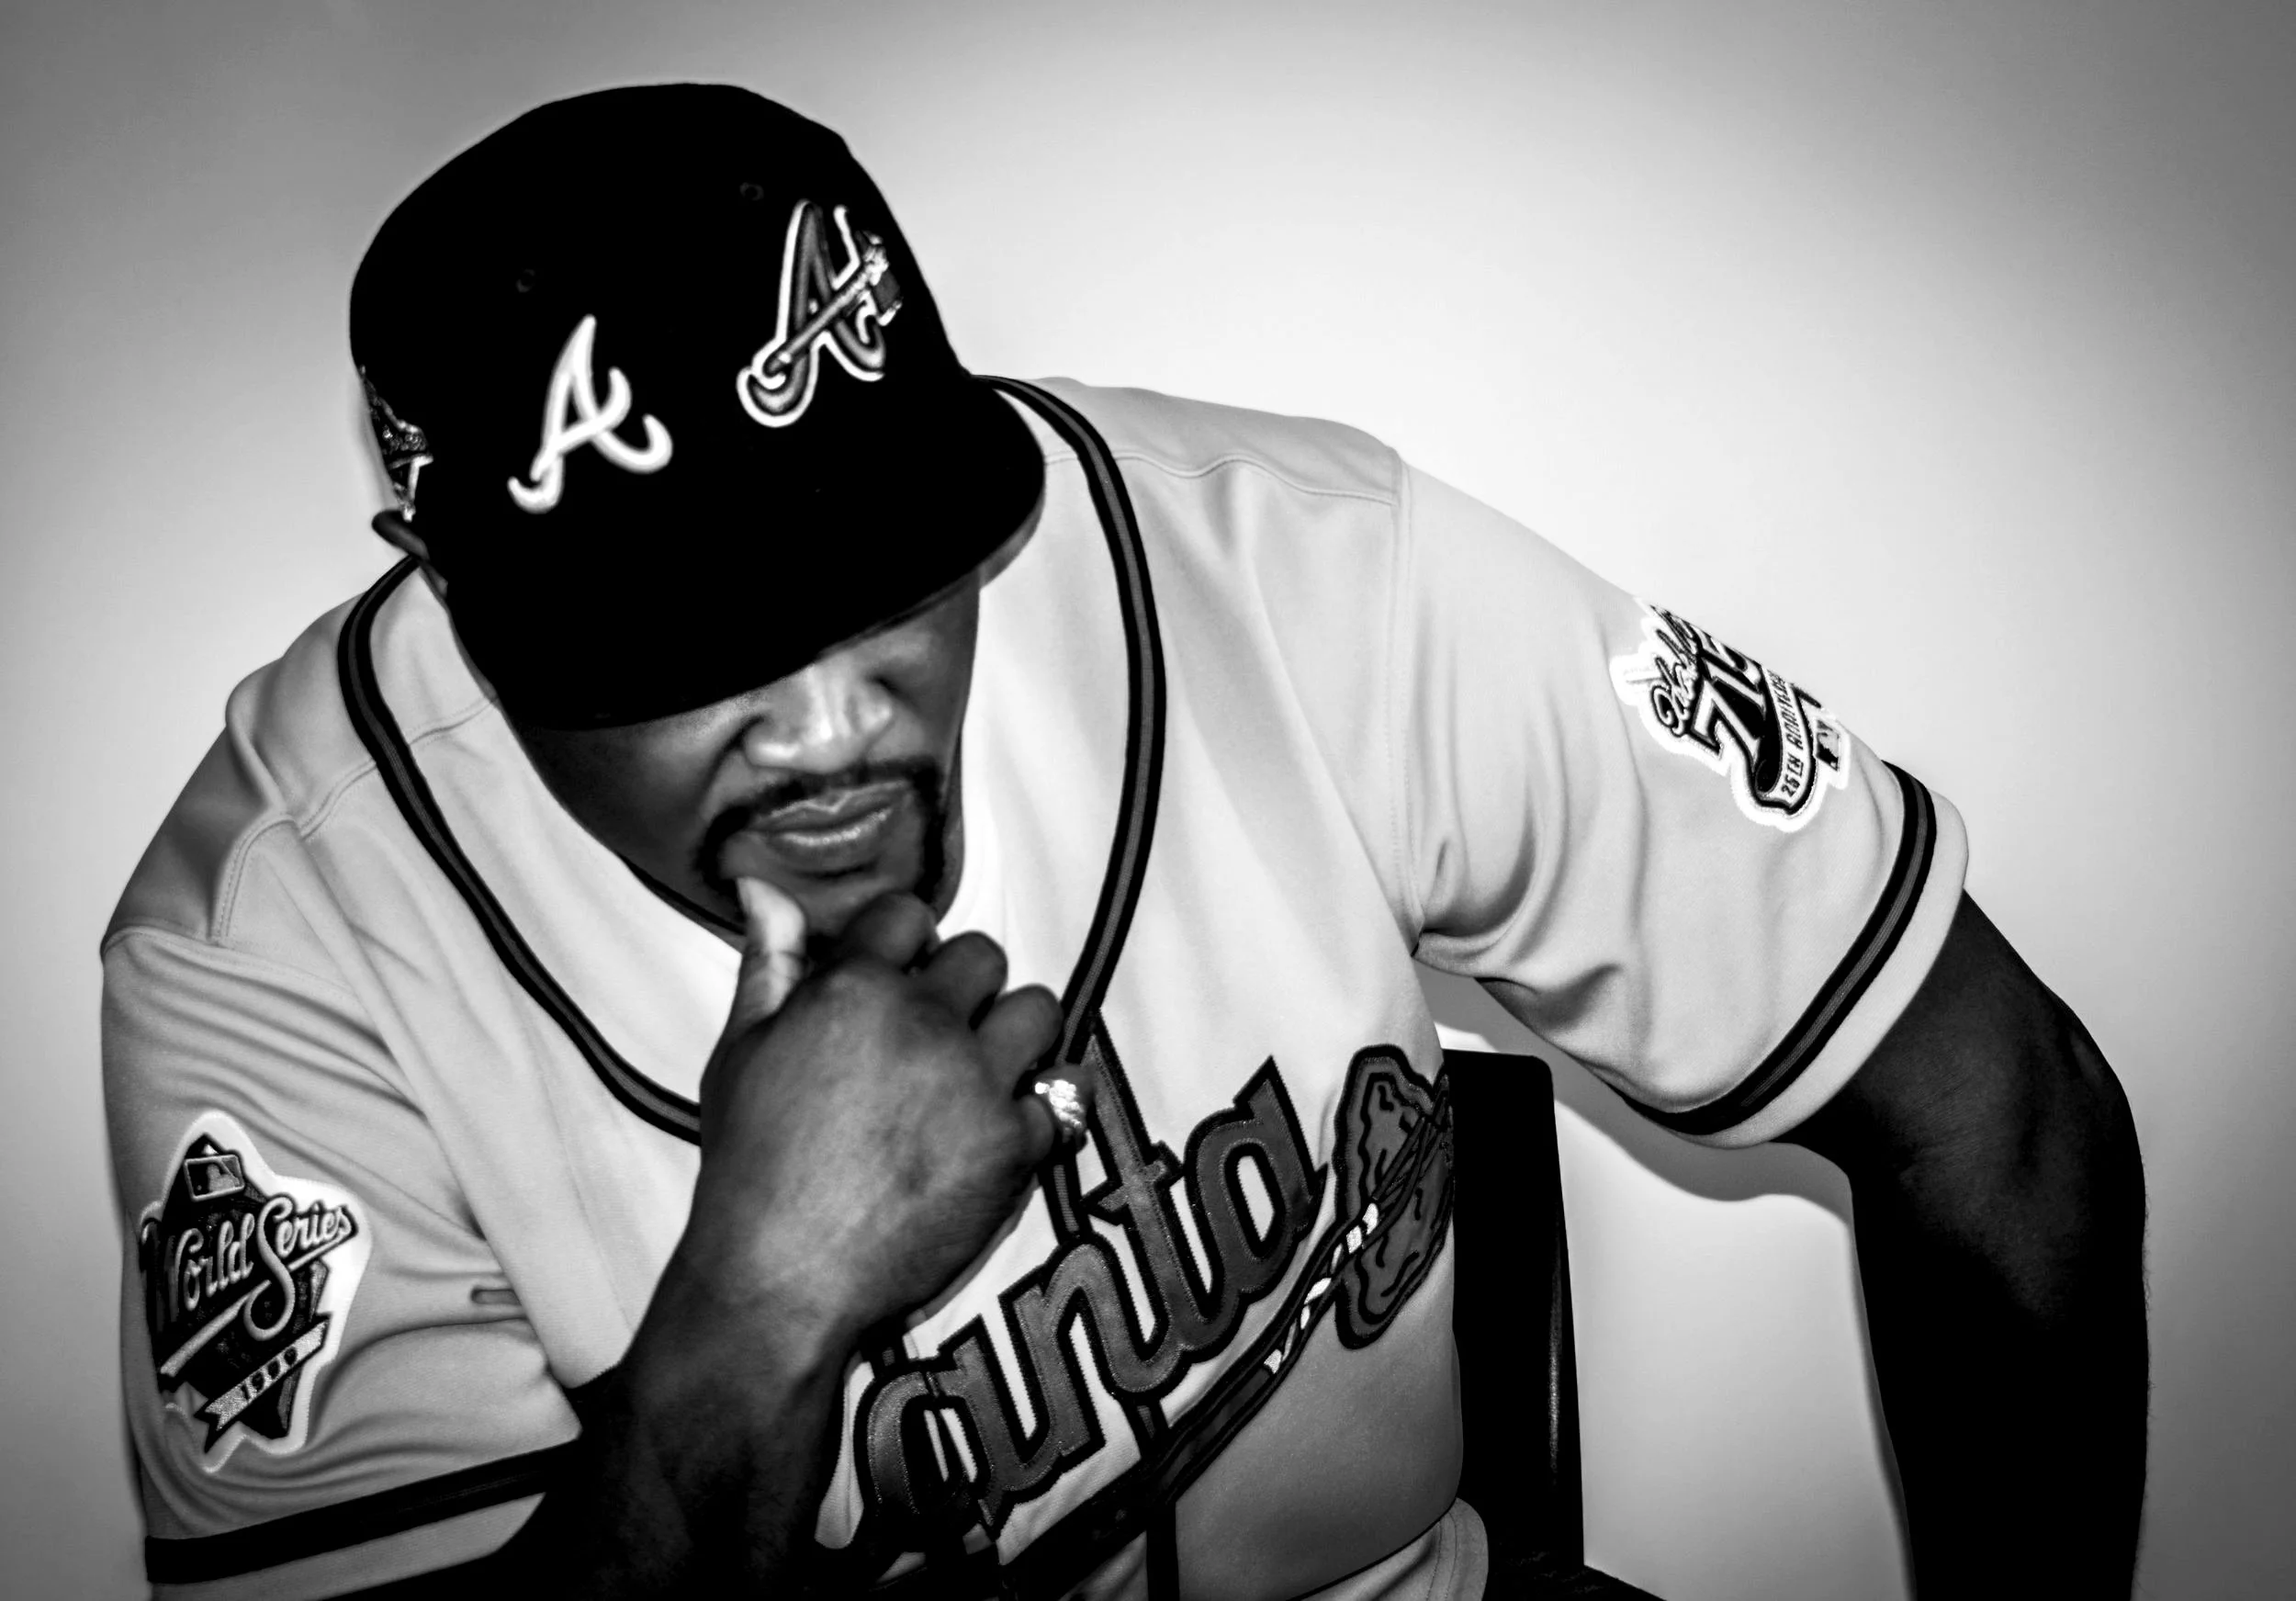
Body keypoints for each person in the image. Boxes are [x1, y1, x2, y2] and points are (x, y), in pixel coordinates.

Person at [103, 84, 2145, 1600]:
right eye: (686, 648)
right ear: (454, 598)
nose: (830, 721)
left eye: (881, 573)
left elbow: (1997, 1101)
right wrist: (753, 1314)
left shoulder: (1299, 571)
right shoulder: (272, 936)